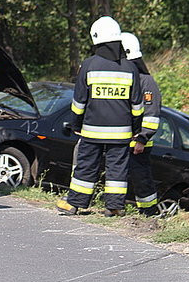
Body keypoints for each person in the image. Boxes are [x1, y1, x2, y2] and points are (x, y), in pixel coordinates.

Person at [57, 17, 143, 217]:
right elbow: (137, 105)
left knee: (86, 167)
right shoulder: (130, 68)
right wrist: (136, 129)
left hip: (92, 130)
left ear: (96, 38)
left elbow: (79, 102)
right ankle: (114, 207)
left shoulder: (89, 65)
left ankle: (75, 204)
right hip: (121, 133)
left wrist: (75, 124)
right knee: (117, 172)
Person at [121, 32, 162, 216]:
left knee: (142, 179)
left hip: (138, 144)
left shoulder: (146, 82)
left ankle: (149, 212)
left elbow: (152, 114)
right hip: (120, 140)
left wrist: (142, 138)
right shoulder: (125, 77)